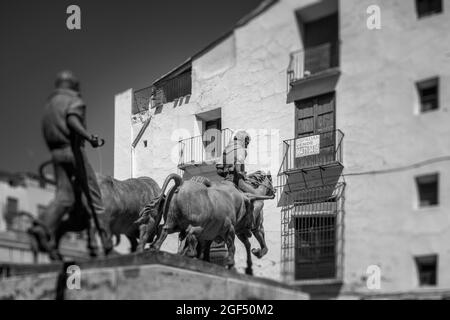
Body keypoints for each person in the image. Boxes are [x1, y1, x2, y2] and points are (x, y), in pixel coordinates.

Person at [30, 70, 110, 259]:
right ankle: (106, 245)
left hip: (56, 153)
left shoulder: (50, 104)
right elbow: (72, 119)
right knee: (95, 198)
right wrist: (89, 137)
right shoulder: (74, 100)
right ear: (74, 85)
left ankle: (43, 226)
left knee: (64, 197)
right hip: (73, 152)